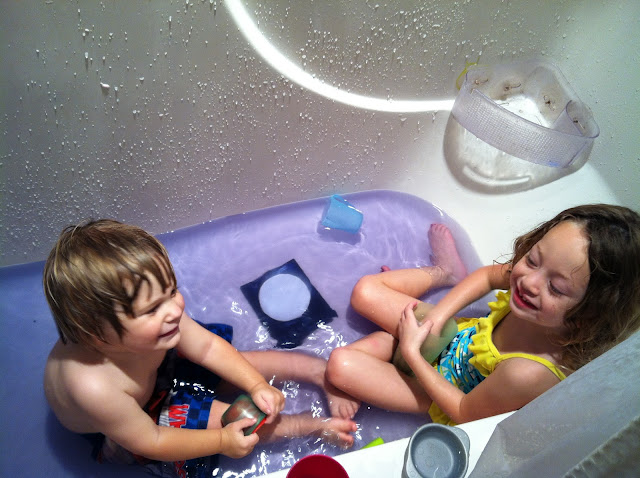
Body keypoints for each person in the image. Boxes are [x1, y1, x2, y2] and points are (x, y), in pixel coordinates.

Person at [43, 219, 357, 477]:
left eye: (172, 291)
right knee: (233, 423)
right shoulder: (94, 388)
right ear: (98, 336)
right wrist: (221, 441)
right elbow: (151, 440)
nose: (174, 309)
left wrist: (256, 385)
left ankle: (318, 372)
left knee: (239, 362)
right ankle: (308, 425)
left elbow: (207, 348)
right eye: (152, 309)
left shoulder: (149, 326)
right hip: (133, 422)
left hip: (156, 370)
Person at [326, 204, 640, 426]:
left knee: (340, 366)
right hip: (451, 335)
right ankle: (445, 272)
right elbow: (490, 276)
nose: (528, 282)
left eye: (555, 288)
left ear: (588, 315)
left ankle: (383, 351)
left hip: (439, 394)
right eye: (532, 259)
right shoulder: (537, 280)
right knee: (365, 291)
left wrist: (411, 353)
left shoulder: (529, 372)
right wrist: (438, 317)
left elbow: (465, 412)